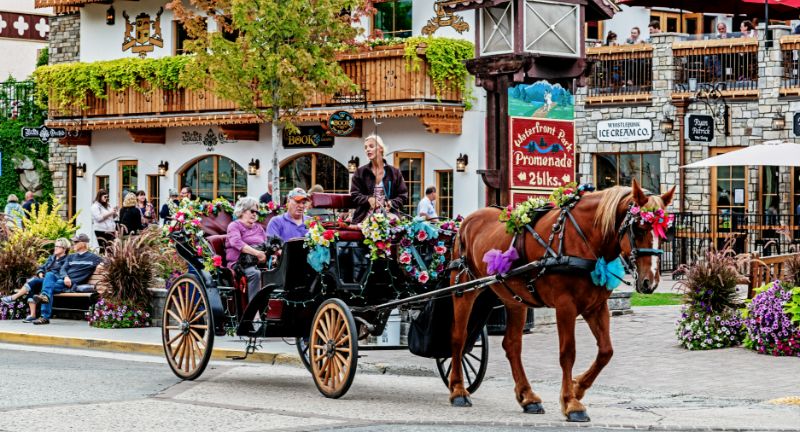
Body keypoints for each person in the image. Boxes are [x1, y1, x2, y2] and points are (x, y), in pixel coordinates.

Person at [30, 233, 102, 325]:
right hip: (62, 280)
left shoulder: (93, 258)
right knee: (49, 274)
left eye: (76, 242)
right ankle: (44, 298)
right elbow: (63, 269)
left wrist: (101, 266)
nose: (73, 244)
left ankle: (44, 317)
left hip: (71, 284)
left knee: (47, 290)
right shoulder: (71, 257)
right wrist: (66, 277)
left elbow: (108, 263)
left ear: (83, 243)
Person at [1, 238, 70, 322]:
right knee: (34, 284)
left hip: (55, 281)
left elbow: (63, 272)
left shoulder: (67, 259)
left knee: (35, 281)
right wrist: (40, 272)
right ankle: (32, 315)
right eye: (55, 246)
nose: (55, 248)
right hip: (45, 280)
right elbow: (41, 267)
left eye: (58, 246)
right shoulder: (52, 258)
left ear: (64, 249)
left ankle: (14, 297)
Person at [350, 135, 409, 224]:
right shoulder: (360, 172)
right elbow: (354, 194)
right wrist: (368, 199)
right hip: (364, 216)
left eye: (371, 146)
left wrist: (392, 203)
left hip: (389, 215)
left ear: (381, 148)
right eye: (365, 147)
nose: (367, 149)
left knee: (394, 227)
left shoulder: (395, 172)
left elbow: (403, 195)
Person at [226, 196, 268, 301]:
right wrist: (257, 253)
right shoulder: (234, 226)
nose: (255, 214)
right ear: (243, 211)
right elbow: (236, 242)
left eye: (256, 212)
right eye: (252, 211)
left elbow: (266, 244)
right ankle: (254, 313)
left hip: (258, 263)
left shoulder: (259, 228)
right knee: (255, 273)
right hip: (240, 263)